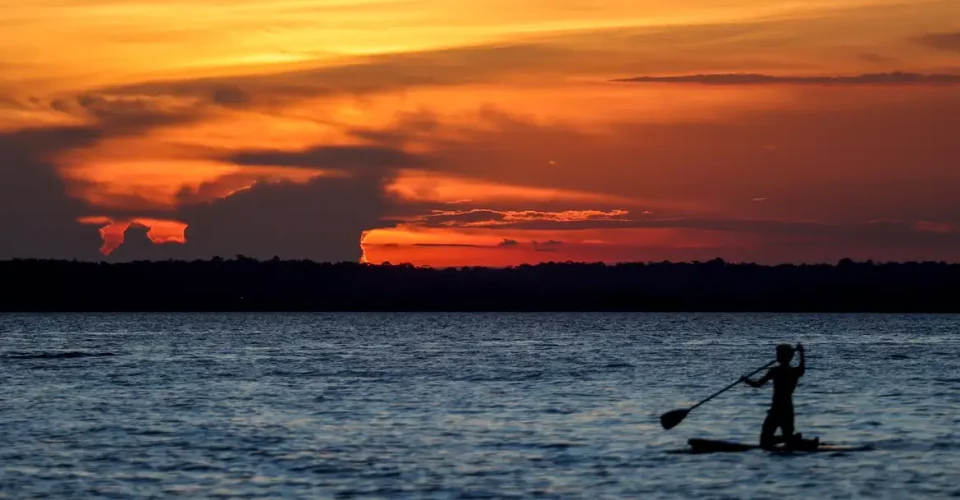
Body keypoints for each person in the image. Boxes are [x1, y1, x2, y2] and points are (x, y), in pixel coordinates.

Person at [740, 343, 815, 449]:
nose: (777, 356)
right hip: (787, 409)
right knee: (786, 439)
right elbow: (802, 368)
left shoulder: (776, 371)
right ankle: (792, 439)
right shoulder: (793, 371)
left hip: (777, 409)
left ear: (786, 356)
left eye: (779, 354)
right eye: (777, 354)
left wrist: (746, 381)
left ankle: (793, 439)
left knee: (764, 440)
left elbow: (758, 384)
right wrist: (801, 352)